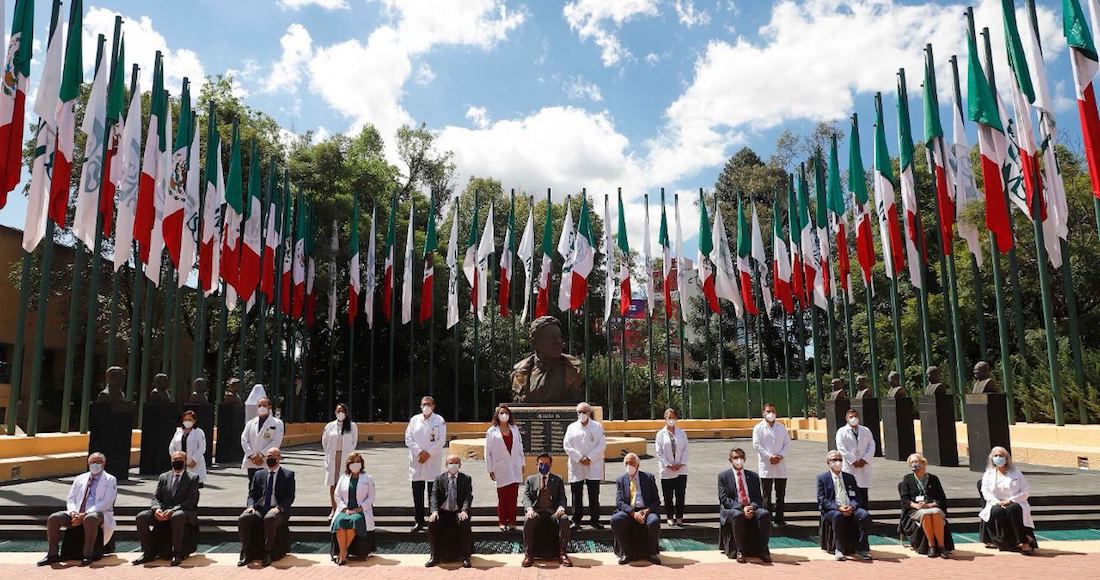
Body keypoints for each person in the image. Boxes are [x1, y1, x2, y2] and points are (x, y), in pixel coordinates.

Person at [38, 453, 118, 566]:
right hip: (77, 512)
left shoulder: (110, 479)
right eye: (92, 462)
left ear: (104, 464)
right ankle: (52, 554)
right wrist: (73, 512)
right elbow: (71, 498)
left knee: (90, 518)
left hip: (98, 513)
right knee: (54, 518)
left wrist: (85, 513)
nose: (95, 464)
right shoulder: (80, 478)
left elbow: (107, 502)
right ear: (88, 463)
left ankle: (87, 555)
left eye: (98, 462)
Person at [134, 451, 201, 566]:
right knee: (141, 517)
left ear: (185, 461)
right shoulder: (164, 477)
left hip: (183, 511)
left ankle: (177, 553)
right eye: (175, 460)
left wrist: (173, 510)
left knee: (177, 516)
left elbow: (191, 500)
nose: (177, 462)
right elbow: (156, 497)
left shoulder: (193, 478)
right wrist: (156, 509)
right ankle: (148, 551)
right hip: (163, 511)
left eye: (180, 459)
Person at [238, 448, 296, 567]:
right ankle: (247, 552)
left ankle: (267, 552)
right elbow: (252, 495)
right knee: (244, 518)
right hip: (260, 508)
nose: (269, 459)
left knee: (270, 518)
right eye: (268, 457)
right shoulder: (259, 474)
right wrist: (250, 506)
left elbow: (290, 497)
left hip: (277, 509)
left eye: (272, 457)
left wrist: (279, 508)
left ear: (279, 458)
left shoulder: (288, 475)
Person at [979, 446, 1037, 554]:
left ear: (1006, 458)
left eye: (1001, 455)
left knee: (1013, 509)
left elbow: (1025, 491)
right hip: (996, 502)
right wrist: (997, 502)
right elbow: (985, 491)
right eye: (996, 456)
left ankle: (1024, 542)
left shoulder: (1016, 473)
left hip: (1014, 501)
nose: (998, 458)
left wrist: (1010, 500)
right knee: (997, 511)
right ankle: (1005, 542)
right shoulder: (988, 474)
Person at [817, 450, 873, 561]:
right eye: (834, 460)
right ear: (828, 462)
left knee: (864, 515)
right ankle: (839, 549)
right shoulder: (822, 478)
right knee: (838, 516)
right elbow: (822, 499)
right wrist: (838, 508)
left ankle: (861, 549)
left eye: (840, 460)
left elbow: (857, 497)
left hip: (850, 507)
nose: (837, 462)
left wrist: (852, 506)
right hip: (832, 509)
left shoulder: (849, 477)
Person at [718, 448, 772, 563]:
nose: (739, 460)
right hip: (733, 509)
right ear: (730, 460)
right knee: (738, 515)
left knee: (765, 514)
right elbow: (724, 499)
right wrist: (742, 508)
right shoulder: (723, 476)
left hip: (751, 506)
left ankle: (763, 550)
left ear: (745, 459)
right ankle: (740, 551)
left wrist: (751, 507)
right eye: (735, 458)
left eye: (741, 457)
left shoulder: (753, 476)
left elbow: (758, 497)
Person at [521, 453, 572, 567]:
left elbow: (562, 497)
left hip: (553, 512)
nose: (543, 466)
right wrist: (529, 509)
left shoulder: (558, 479)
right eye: (541, 464)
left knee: (564, 519)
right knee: (528, 520)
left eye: (546, 464)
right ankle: (529, 554)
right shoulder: (530, 479)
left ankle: (562, 553)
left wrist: (561, 508)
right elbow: (526, 497)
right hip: (537, 512)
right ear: (536, 465)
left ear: (551, 465)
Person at [898, 453, 952, 557]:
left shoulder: (934, 479)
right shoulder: (907, 479)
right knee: (925, 514)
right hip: (916, 509)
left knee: (935, 513)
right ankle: (931, 546)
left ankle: (941, 546)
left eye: (916, 461)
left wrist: (929, 505)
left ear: (923, 463)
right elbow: (905, 500)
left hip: (932, 506)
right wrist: (916, 505)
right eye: (912, 462)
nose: (914, 464)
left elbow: (941, 499)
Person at [611, 453, 661, 565]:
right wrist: (633, 513)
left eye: (632, 463)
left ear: (638, 464)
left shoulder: (648, 478)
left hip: (646, 510)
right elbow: (619, 502)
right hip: (629, 511)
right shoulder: (621, 480)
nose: (629, 466)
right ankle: (626, 553)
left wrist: (647, 511)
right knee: (615, 520)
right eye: (627, 463)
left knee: (654, 521)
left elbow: (656, 500)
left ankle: (651, 553)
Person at [563, 401, 606, 530]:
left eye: (584, 412)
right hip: (577, 465)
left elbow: (602, 445)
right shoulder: (571, 427)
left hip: (593, 464)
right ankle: (576, 520)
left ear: (589, 413)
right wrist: (580, 458)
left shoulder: (597, 427)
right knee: (576, 494)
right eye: (579, 412)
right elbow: (567, 445)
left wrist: (590, 457)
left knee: (594, 494)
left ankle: (595, 520)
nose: (581, 414)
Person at [406, 395, 446, 532]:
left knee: (432, 494)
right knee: (417, 494)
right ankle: (419, 521)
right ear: (420, 406)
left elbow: (441, 441)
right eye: (424, 404)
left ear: (433, 406)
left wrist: (428, 453)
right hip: (417, 461)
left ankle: (432, 521)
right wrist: (419, 453)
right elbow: (408, 438)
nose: (426, 406)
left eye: (429, 404)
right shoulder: (414, 420)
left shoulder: (439, 420)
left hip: (432, 461)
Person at [426, 455, 473, 568]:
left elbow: (468, 497)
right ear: (446, 465)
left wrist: (464, 510)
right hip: (443, 512)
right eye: (451, 463)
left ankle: (465, 557)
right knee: (432, 522)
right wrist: (434, 512)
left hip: (457, 512)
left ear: (460, 465)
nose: (453, 465)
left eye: (456, 463)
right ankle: (434, 556)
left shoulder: (466, 479)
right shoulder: (439, 478)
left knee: (464, 521)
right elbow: (434, 496)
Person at [331, 452, 375, 565]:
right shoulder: (343, 478)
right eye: (353, 462)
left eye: (358, 462)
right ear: (348, 464)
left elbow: (371, 497)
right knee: (340, 522)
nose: (355, 464)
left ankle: (342, 553)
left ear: (362, 464)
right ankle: (343, 552)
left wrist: (360, 508)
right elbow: (337, 495)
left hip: (360, 511)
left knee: (354, 521)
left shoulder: (368, 478)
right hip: (345, 510)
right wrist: (344, 508)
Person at [485, 404, 524, 531]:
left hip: (515, 466)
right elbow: (488, 452)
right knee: (503, 496)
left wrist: (522, 463)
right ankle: (502, 521)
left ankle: (512, 522)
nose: (504, 415)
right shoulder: (492, 431)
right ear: (497, 415)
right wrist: (490, 469)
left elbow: (520, 447)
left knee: (513, 496)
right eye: (501, 413)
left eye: (506, 413)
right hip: (500, 467)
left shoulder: (514, 428)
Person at [752, 402, 790, 526]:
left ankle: (779, 518)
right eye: (768, 411)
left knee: (780, 493)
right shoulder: (758, 428)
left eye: (773, 411)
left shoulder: (781, 427)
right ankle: (766, 520)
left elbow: (787, 443)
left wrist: (780, 456)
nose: (771, 414)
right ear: (763, 413)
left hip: (780, 464)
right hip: (766, 464)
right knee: (766, 495)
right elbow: (757, 445)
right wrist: (769, 456)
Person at [241, 397, 285, 494]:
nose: (261, 408)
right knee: (252, 486)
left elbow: (276, 441)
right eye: (259, 406)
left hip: (266, 460)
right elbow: (244, 439)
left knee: (266, 486)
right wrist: (251, 455)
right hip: (252, 461)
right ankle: (252, 503)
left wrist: (261, 455)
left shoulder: (277, 423)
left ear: (270, 407)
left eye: (264, 405)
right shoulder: (251, 423)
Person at [655, 407, 688, 527]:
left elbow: (686, 449)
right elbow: (659, 452)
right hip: (666, 470)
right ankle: (669, 517)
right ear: (665, 419)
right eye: (669, 417)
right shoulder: (660, 434)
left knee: (680, 495)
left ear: (676, 418)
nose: (671, 420)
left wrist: (681, 463)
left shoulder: (682, 433)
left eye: (673, 417)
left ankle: (679, 517)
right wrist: (668, 465)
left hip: (681, 469)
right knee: (668, 496)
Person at [323, 403, 359, 515]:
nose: (340, 413)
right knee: (333, 483)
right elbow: (324, 442)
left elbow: (354, 442)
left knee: (345, 483)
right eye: (338, 411)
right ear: (335, 412)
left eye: (343, 411)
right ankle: (334, 509)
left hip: (346, 457)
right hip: (333, 457)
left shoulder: (352, 426)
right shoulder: (329, 426)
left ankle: (345, 508)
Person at [835, 408, 874, 508]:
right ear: (846, 418)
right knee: (850, 492)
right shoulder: (841, 432)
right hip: (849, 467)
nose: (853, 419)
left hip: (863, 467)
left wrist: (864, 460)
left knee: (863, 493)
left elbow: (871, 446)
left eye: (855, 416)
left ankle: (863, 513)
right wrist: (853, 461)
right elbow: (841, 448)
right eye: (851, 417)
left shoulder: (865, 430)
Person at [168, 409, 207, 484]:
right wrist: (175, 457)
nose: (187, 421)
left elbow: (202, 448)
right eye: (185, 419)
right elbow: (172, 446)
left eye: (189, 419)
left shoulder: (198, 432)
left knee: (193, 485)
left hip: (194, 464)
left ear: (194, 421)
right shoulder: (178, 431)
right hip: (179, 463)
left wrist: (194, 460)